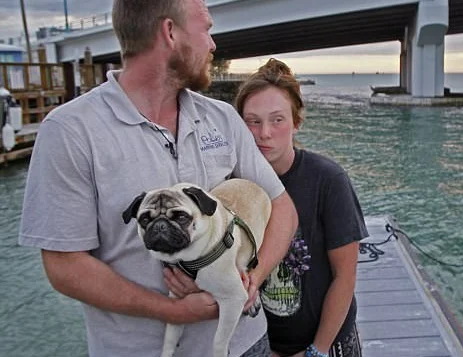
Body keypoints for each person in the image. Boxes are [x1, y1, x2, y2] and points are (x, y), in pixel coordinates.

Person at [18, 1, 297, 356]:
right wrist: (173, 310)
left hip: (244, 344)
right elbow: (64, 265)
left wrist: (250, 278)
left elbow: (281, 207)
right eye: (206, 29)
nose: (213, 44)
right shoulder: (70, 131)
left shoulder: (223, 118)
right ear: (170, 32)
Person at [234, 59, 368, 357]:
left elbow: (345, 277)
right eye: (252, 121)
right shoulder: (234, 186)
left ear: (296, 123)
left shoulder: (328, 181)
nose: (264, 133)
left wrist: (316, 351)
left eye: (277, 119)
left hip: (325, 344)